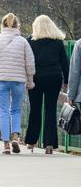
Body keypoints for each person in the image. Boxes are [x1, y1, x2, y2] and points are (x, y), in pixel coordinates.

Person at [0, 12, 36, 153]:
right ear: (17, 25)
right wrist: (30, 80)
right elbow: (30, 63)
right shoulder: (23, 41)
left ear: (2, 24)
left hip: (1, 79)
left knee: (3, 110)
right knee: (15, 109)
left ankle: (6, 144)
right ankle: (15, 136)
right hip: (18, 80)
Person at [25, 14, 69, 153]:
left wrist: (26, 79)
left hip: (36, 78)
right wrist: (66, 82)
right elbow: (65, 63)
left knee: (35, 109)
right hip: (54, 78)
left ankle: (31, 141)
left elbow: (26, 61)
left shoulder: (30, 41)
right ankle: (49, 144)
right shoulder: (57, 42)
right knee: (50, 110)